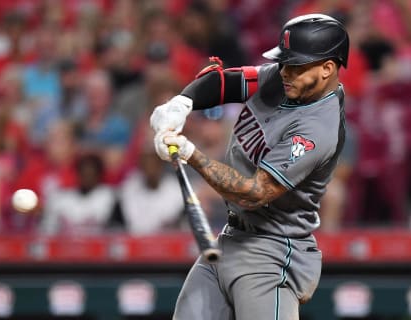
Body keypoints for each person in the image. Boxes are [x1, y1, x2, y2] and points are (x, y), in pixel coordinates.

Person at [149, 14, 349, 320]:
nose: (284, 71)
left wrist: (190, 153)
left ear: (327, 68)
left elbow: (254, 193)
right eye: (284, 62)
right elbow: (227, 82)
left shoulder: (317, 129)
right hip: (231, 238)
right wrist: (181, 104)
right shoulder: (289, 79)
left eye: (295, 65)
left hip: (270, 253)